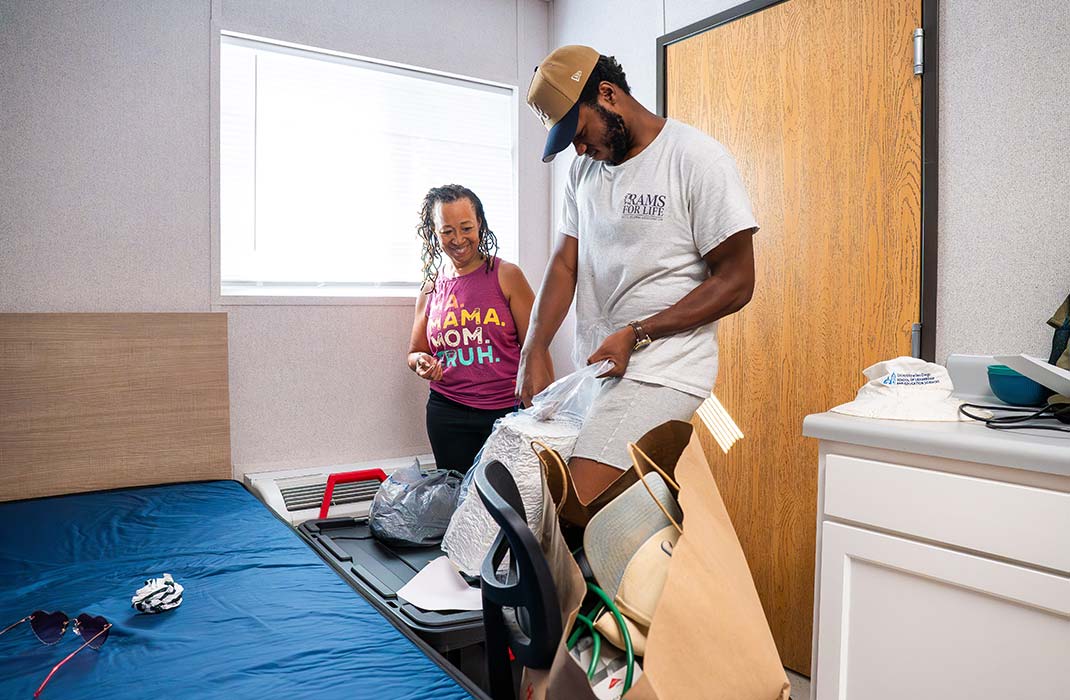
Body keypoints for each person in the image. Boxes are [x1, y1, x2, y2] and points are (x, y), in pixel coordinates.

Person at [520, 45, 759, 506]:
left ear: (607, 94)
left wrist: (638, 333)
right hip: (598, 369)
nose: (581, 148)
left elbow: (737, 281)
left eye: (581, 131)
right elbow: (565, 262)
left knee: (577, 506)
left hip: (663, 370)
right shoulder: (583, 171)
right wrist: (535, 343)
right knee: (600, 515)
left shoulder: (695, 160)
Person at [407, 184, 537, 473]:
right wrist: (422, 362)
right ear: (434, 232)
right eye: (447, 231)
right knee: (456, 499)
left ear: (480, 224)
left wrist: (540, 409)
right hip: (447, 413)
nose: (458, 239)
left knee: (504, 503)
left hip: (506, 412)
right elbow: (415, 352)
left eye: (466, 227)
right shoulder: (431, 288)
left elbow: (535, 348)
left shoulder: (507, 275)